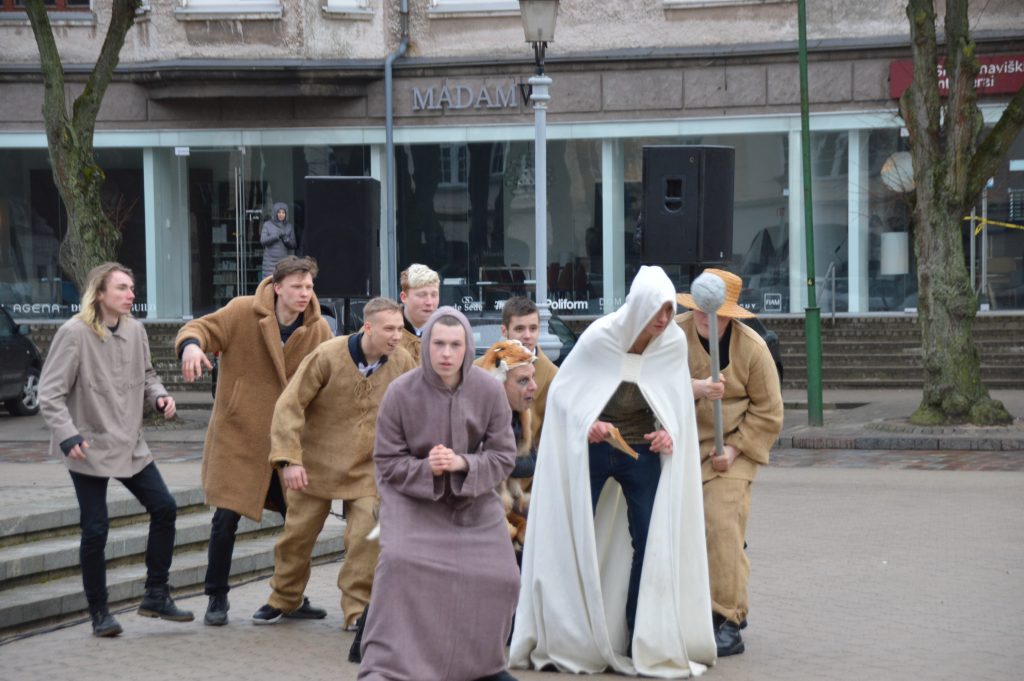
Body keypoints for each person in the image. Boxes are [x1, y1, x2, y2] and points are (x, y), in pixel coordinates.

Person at [510, 265, 716, 677]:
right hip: (593, 449)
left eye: (669, 310)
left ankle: (639, 633)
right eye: (656, 309)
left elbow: (675, 400)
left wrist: (669, 432)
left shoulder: (671, 343)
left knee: (651, 538)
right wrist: (588, 422)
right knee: (571, 533)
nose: (663, 319)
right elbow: (567, 393)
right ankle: (569, 635)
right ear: (638, 305)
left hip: (641, 451)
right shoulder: (601, 336)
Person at [358, 307, 520, 681]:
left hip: (474, 500)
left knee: (502, 576)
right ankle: (392, 663)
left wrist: (463, 463)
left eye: (455, 345)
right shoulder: (401, 392)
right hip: (413, 500)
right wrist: (426, 468)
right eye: (439, 344)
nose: (446, 353)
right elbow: (386, 461)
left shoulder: (489, 391)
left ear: (468, 348)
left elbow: (503, 456)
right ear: (427, 345)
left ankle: (481, 665)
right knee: (398, 564)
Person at [176, 255, 333, 626]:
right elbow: (198, 328)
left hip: (287, 444)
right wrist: (192, 347)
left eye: (309, 287)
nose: (305, 294)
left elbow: (331, 376)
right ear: (277, 287)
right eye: (297, 286)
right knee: (225, 519)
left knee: (300, 523)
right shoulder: (242, 311)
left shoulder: (318, 328)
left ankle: (290, 596)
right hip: (239, 436)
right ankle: (216, 596)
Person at [38, 263, 193, 637]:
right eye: (122, 287)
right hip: (87, 444)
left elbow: (149, 376)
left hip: (129, 441)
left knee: (164, 507)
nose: (130, 294)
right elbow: (49, 393)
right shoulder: (73, 333)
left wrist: (160, 398)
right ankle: (99, 613)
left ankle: (156, 594)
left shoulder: (136, 330)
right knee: (96, 529)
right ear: (100, 293)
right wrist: (68, 435)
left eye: (132, 287)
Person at [252, 297, 415, 628]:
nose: (397, 336)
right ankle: (284, 597)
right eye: (389, 329)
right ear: (367, 327)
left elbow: (418, 409)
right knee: (296, 537)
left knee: (367, 537)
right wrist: (289, 459)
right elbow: (289, 405)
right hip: (315, 464)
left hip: (369, 468)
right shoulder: (327, 355)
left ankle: (357, 610)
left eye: (400, 329)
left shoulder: (403, 362)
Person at [676, 268, 784, 657]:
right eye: (700, 309)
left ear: (730, 315)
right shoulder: (673, 335)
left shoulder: (753, 348)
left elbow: (770, 411)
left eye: (716, 312)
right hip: (681, 449)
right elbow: (652, 385)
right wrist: (695, 388)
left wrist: (735, 450)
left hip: (731, 452)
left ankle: (727, 619)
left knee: (721, 525)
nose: (705, 318)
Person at [478, 338, 538, 548]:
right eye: (523, 381)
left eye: (532, 377)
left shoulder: (521, 415)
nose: (534, 386)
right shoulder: (478, 419)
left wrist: (501, 460)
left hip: (511, 502)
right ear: (499, 384)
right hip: (484, 513)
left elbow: (532, 463)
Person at [492, 296, 557, 445]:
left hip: (533, 457)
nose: (527, 336)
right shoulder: (477, 369)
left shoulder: (554, 377)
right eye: (520, 329)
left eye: (533, 328)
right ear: (504, 330)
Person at [397, 263, 439, 364]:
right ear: (404, 297)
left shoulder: (448, 332)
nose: (429, 302)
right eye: (422, 295)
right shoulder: (381, 331)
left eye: (434, 295)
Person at [261, 203, 297, 279]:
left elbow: (293, 245)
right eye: (279, 212)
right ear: (275, 213)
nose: (281, 214)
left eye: (283, 212)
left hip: (283, 261)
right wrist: (276, 236)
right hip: (269, 262)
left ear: (286, 214)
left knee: (282, 282)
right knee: (270, 283)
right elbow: (263, 241)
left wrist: (286, 238)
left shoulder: (289, 226)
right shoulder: (267, 225)